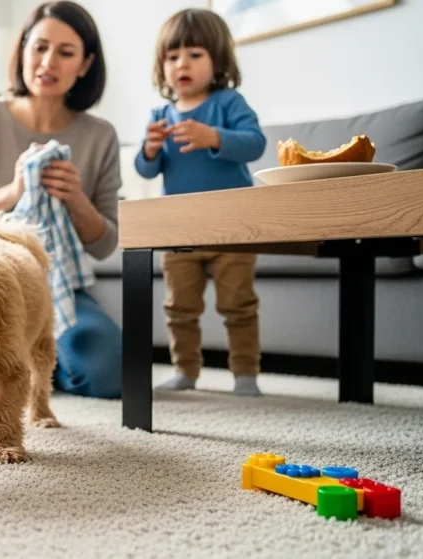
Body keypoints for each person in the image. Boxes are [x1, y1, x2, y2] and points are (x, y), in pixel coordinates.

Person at [0, 1, 122, 399]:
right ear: (21, 50)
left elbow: (106, 242)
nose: (47, 62)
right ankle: (23, 366)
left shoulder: (100, 135)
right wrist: (13, 191)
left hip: (61, 285)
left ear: (85, 64)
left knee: (108, 374)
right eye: (39, 47)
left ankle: (32, 366)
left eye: (65, 52)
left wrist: (75, 199)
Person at [134, 8, 267, 396]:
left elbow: (255, 143)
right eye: (172, 57)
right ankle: (185, 372)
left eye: (194, 54)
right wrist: (148, 148)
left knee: (238, 304)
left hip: (232, 227)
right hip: (180, 229)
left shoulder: (228, 102)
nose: (182, 64)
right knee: (179, 308)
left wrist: (214, 137)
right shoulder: (160, 114)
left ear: (218, 60)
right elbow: (146, 170)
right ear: (162, 67)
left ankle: (245, 375)